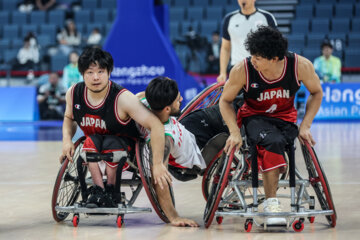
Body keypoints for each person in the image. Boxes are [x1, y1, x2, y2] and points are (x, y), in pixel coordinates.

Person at [219, 26, 323, 225]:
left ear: (274, 58)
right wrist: (234, 132)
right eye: (252, 56)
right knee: (272, 142)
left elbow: (317, 92)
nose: (253, 60)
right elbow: (225, 101)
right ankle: (271, 202)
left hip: (285, 118)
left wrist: (306, 125)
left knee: (276, 142)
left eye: (258, 57)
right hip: (254, 117)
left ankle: (270, 167)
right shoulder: (243, 69)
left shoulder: (300, 66)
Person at [60, 47, 168, 210]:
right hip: (95, 147)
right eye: (90, 72)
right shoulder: (74, 93)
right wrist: (67, 140)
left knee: (111, 142)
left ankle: (111, 190)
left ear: (109, 72)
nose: (95, 77)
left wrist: (158, 163)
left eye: (101, 71)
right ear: (82, 74)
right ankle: (98, 191)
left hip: (125, 148)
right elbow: (69, 118)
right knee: (90, 141)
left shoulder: (123, 98)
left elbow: (156, 125)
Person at [136, 77, 203, 227]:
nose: (181, 99)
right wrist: (174, 217)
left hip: (185, 131)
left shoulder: (145, 103)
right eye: (177, 99)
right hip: (193, 159)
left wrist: (163, 85)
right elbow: (159, 178)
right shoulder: (164, 139)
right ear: (167, 108)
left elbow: (141, 95)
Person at [217, 0, 277, 82]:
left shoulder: (267, 17)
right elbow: (225, 48)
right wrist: (222, 73)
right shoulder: (229, 19)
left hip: (261, 67)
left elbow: (275, 45)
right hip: (237, 67)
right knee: (237, 94)